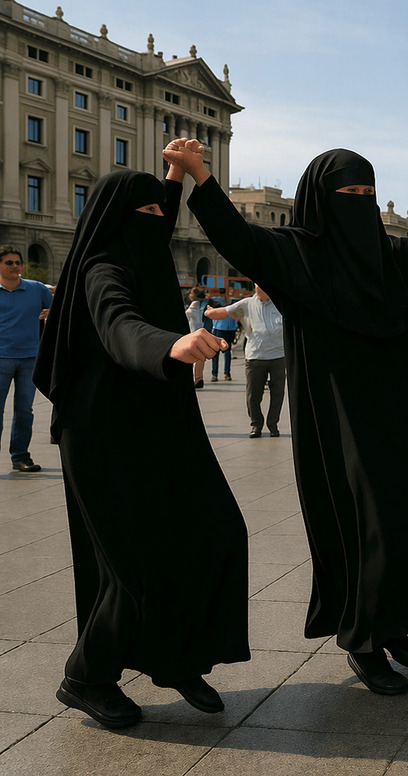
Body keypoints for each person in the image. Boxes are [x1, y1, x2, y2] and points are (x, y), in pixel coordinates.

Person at [166, 138, 408, 696]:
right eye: (349, 193)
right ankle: (363, 640)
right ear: (322, 198)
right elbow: (237, 237)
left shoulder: (386, 254)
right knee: (366, 524)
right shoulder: (295, 253)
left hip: (397, 410)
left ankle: (394, 623)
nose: (360, 201)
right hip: (339, 416)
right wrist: (198, 176)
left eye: (369, 192)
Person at [33, 168, 247, 729]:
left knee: (212, 531)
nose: (156, 223)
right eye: (145, 214)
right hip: (101, 433)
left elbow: (157, 215)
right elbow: (118, 323)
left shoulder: (146, 260)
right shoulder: (102, 269)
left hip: (158, 424)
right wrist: (171, 342)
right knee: (132, 565)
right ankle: (87, 677)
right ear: (116, 219)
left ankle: (175, 658)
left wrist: (174, 180)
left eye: (161, 213)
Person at [206, 285, 286, 438]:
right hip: (255, 357)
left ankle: (273, 424)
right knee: (253, 395)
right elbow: (224, 312)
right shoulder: (247, 304)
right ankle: (256, 424)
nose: (259, 289)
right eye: (257, 287)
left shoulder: (280, 304)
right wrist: (209, 312)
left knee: (278, 393)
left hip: (278, 356)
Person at [0, 246, 52, 472]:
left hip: (30, 358)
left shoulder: (37, 289)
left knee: (24, 411)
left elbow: (58, 305)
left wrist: (52, 311)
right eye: (9, 263)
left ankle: (20, 456)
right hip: (1, 358)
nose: (15, 266)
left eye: (17, 262)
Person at [184, 286, 210, 388]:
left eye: (191, 293)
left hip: (194, 334)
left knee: (192, 357)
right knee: (200, 358)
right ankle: (199, 378)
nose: (190, 295)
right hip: (202, 334)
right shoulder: (203, 304)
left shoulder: (194, 305)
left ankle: (197, 379)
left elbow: (186, 315)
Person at [209, 296, 238, 381]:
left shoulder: (217, 304)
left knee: (218, 353)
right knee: (226, 352)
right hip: (226, 330)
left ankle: (215, 374)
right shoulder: (232, 307)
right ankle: (226, 373)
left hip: (221, 330)